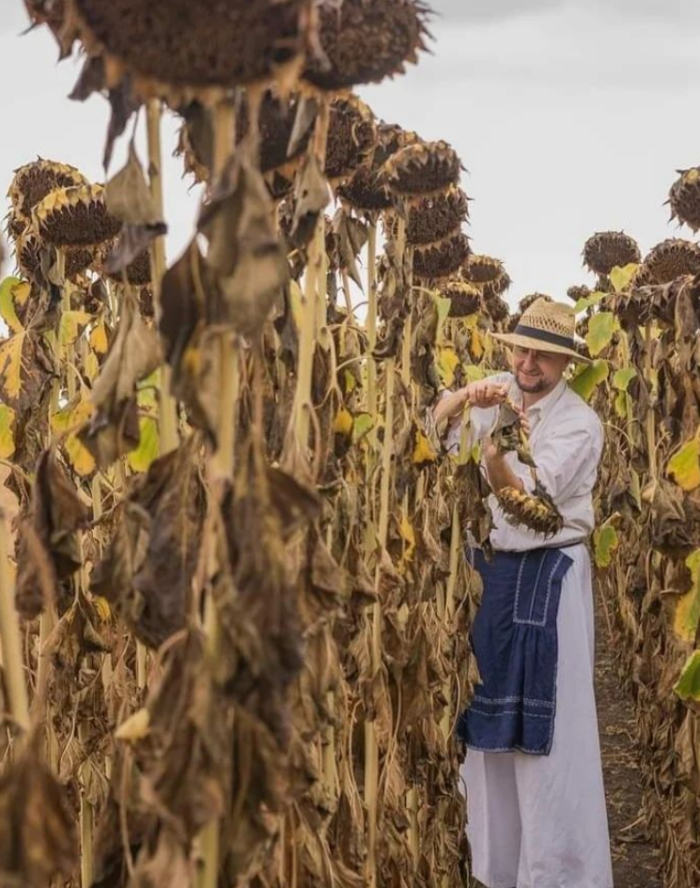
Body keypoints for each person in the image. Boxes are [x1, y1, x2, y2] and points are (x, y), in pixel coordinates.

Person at [433, 298, 613, 888]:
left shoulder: (579, 424)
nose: (528, 362)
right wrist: (464, 398)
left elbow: (529, 501)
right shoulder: (499, 391)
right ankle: (495, 871)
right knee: (485, 742)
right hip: (489, 574)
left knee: (548, 745)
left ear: (565, 363)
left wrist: (490, 449)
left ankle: (558, 874)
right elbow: (431, 437)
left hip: (547, 579)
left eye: (543, 354)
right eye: (521, 349)